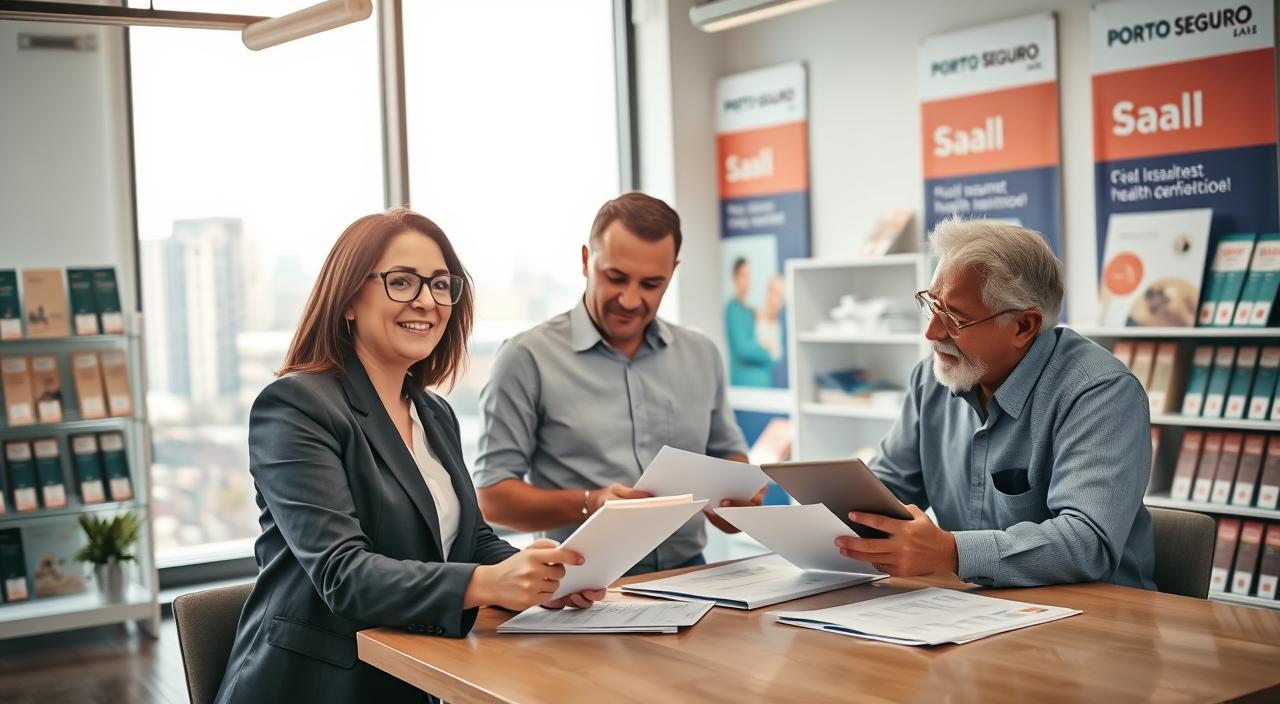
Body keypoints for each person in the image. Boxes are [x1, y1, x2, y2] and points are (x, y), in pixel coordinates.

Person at [216, 209, 603, 704]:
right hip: (319, 685)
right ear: (349, 299)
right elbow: (344, 574)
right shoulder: (296, 406)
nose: (427, 300)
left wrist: (543, 578)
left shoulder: (434, 413)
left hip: (420, 672)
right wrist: (491, 583)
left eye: (442, 285)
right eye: (402, 282)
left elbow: (472, 539)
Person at [835, 219, 1155, 589]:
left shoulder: (1099, 391)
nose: (932, 333)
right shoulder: (932, 378)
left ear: (1023, 327)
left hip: (1097, 616)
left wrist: (952, 552)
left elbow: (1087, 542)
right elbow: (889, 490)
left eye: (954, 318)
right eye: (931, 305)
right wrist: (820, 518)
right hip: (974, 606)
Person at [474, 192, 760, 575]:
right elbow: (492, 498)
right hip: (580, 583)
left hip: (691, 574)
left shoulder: (701, 353)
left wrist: (735, 502)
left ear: (672, 272)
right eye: (616, 278)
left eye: (651, 284)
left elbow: (729, 456)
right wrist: (591, 502)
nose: (629, 299)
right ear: (584, 261)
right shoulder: (526, 358)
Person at [725, 257, 775, 387]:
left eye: (748, 277)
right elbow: (743, 349)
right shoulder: (732, 309)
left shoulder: (751, 311)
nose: (746, 282)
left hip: (762, 383)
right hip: (745, 386)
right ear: (734, 279)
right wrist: (767, 352)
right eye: (742, 276)